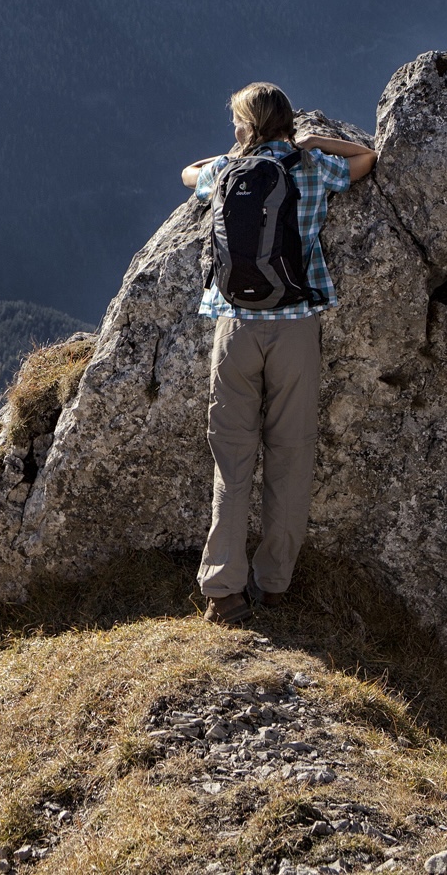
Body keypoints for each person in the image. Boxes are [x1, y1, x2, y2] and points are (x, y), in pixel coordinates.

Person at [180, 82, 376, 624]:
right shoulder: (311, 169)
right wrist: (316, 142)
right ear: (288, 123)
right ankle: (274, 584)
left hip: (235, 329)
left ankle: (223, 590)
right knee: (290, 455)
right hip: (295, 329)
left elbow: (187, 173)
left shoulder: (224, 172)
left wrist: (234, 152)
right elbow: (367, 158)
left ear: (245, 125)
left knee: (232, 458)